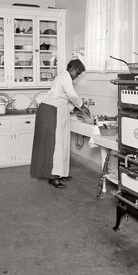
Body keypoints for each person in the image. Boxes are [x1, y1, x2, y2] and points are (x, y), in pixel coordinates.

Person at [30, 59, 89, 188]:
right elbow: (72, 95)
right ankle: (53, 176)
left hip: (53, 110)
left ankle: (61, 173)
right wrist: (82, 106)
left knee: (62, 143)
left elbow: (63, 100)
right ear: (72, 68)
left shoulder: (63, 78)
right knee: (56, 146)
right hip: (50, 111)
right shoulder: (64, 76)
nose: (76, 76)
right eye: (77, 73)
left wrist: (74, 109)